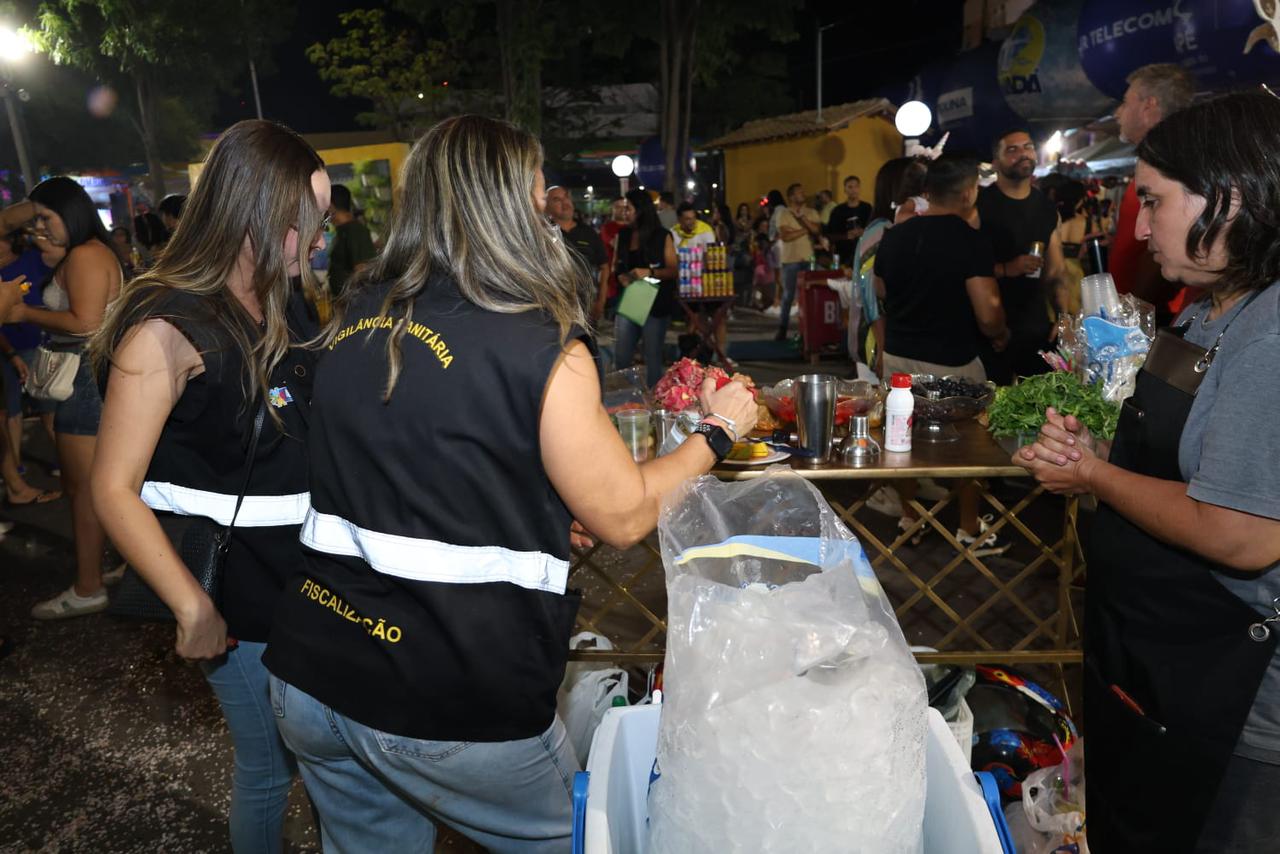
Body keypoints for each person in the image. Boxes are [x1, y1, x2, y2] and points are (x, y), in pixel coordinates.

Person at [261, 114, 758, 853]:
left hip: (315, 669)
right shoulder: (537, 340)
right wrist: (715, 433)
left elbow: (414, 454)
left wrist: (524, 507)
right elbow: (625, 515)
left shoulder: (361, 312)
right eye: (536, 193)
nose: (546, 209)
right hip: (442, 690)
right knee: (584, 840)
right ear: (507, 205)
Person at [1015, 90, 1280, 853]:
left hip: (1235, 694)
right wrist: (1094, 452)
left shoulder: (1270, 334)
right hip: (1161, 662)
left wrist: (1095, 480)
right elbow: (1174, 454)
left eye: (1152, 202)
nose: (1136, 226)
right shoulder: (1209, 307)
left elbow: (1244, 531)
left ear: (1227, 199)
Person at [85, 119, 327, 853]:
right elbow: (112, 488)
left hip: (308, 579)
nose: (318, 240)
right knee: (267, 770)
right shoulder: (163, 331)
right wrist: (192, 606)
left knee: (321, 763)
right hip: (239, 595)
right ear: (256, 214)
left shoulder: (287, 299)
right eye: (305, 222)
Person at [873, 154, 1010, 554]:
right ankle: (968, 526)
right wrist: (1000, 333)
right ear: (969, 192)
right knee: (969, 443)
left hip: (899, 355)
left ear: (927, 191)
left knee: (902, 440)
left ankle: (910, 517)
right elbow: (987, 312)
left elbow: (880, 290)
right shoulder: (969, 240)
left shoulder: (895, 236)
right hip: (953, 359)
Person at [0, 178, 123, 619]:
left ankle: (88, 587)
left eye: (47, 218)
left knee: (83, 491)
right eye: (36, 221)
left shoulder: (87, 254)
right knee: (96, 488)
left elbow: (87, 321)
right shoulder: (84, 252)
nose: (40, 229)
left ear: (70, 213)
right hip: (88, 379)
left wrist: (21, 311)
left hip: (85, 381)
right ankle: (111, 567)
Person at [1110, 63, 1197, 325]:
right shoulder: (1155, 163)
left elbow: (1163, 247)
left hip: (1148, 319)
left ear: (1149, 107)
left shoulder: (1171, 164)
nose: (1117, 113)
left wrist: (1129, 315)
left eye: (1125, 103)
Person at [977, 128, 1065, 383]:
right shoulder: (980, 207)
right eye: (1012, 149)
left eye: (1027, 147)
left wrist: (1064, 318)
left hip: (1036, 327)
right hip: (991, 329)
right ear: (996, 162)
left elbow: (1056, 273)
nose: (1023, 154)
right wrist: (1006, 268)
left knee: (1038, 409)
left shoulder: (1047, 208)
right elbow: (960, 269)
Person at [0, 229, 57, 504]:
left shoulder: (33, 260)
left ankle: (66, 461)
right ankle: (14, 472)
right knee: (10, 412)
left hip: (36, 344)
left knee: (48, 408)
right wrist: (11, 354)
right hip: (8, 350)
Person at [613, 188, 679, 387]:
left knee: (653, 355)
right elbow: (618, 264)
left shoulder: (662, 235)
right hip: (631, 300)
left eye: (629, 208)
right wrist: (622, 277)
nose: (625, 212)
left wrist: (649, 272)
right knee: (622, 354)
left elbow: (673, 270)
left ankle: (654, 402)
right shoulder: (623, 235)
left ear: (641, 210)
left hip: (655, 302)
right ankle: (627, 398)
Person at [546, 185, 609, 320]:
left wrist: (601, 301)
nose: (565, 203)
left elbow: (604, 267)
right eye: (557, 200)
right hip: (554, 309)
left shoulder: (588, 233)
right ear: (546, 206)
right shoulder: (542, 234)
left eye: (566, 197)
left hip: (586, 306)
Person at [773, 182, 820, 340]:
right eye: (799, 192)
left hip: (808, 258)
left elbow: (817, 230)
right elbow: (786, 237)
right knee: (788, 295)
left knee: (810, 295)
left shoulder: (812, 212)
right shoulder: (784, 214)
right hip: (790, 260)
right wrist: (806, 230)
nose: (803, 194)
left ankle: (810, 329)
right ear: (791, 196)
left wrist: (803, 222)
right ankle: (783, 327)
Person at [326, 183, 376, 296]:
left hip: (354, 303)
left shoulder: (356, 231)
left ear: (330, 206)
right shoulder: (342, 231)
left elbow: (363, 270)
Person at [825, 174, 873, 267]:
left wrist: (864, 232)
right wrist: (846, 236)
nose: (853, 190)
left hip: (865, 255)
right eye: (850, 187)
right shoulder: (837, 211)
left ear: (859, 188)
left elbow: (875, 229)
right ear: (845, 190)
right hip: (844, 257)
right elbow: (829, 235)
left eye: (856, 186)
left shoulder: (867, 208)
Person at [599, 197, 633, 319]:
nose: (622, 211)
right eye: (617, 207)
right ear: (612, 209)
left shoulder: (632, 228)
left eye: (625, 208)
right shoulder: (607, 228)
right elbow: (615, 244)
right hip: (611, 276)